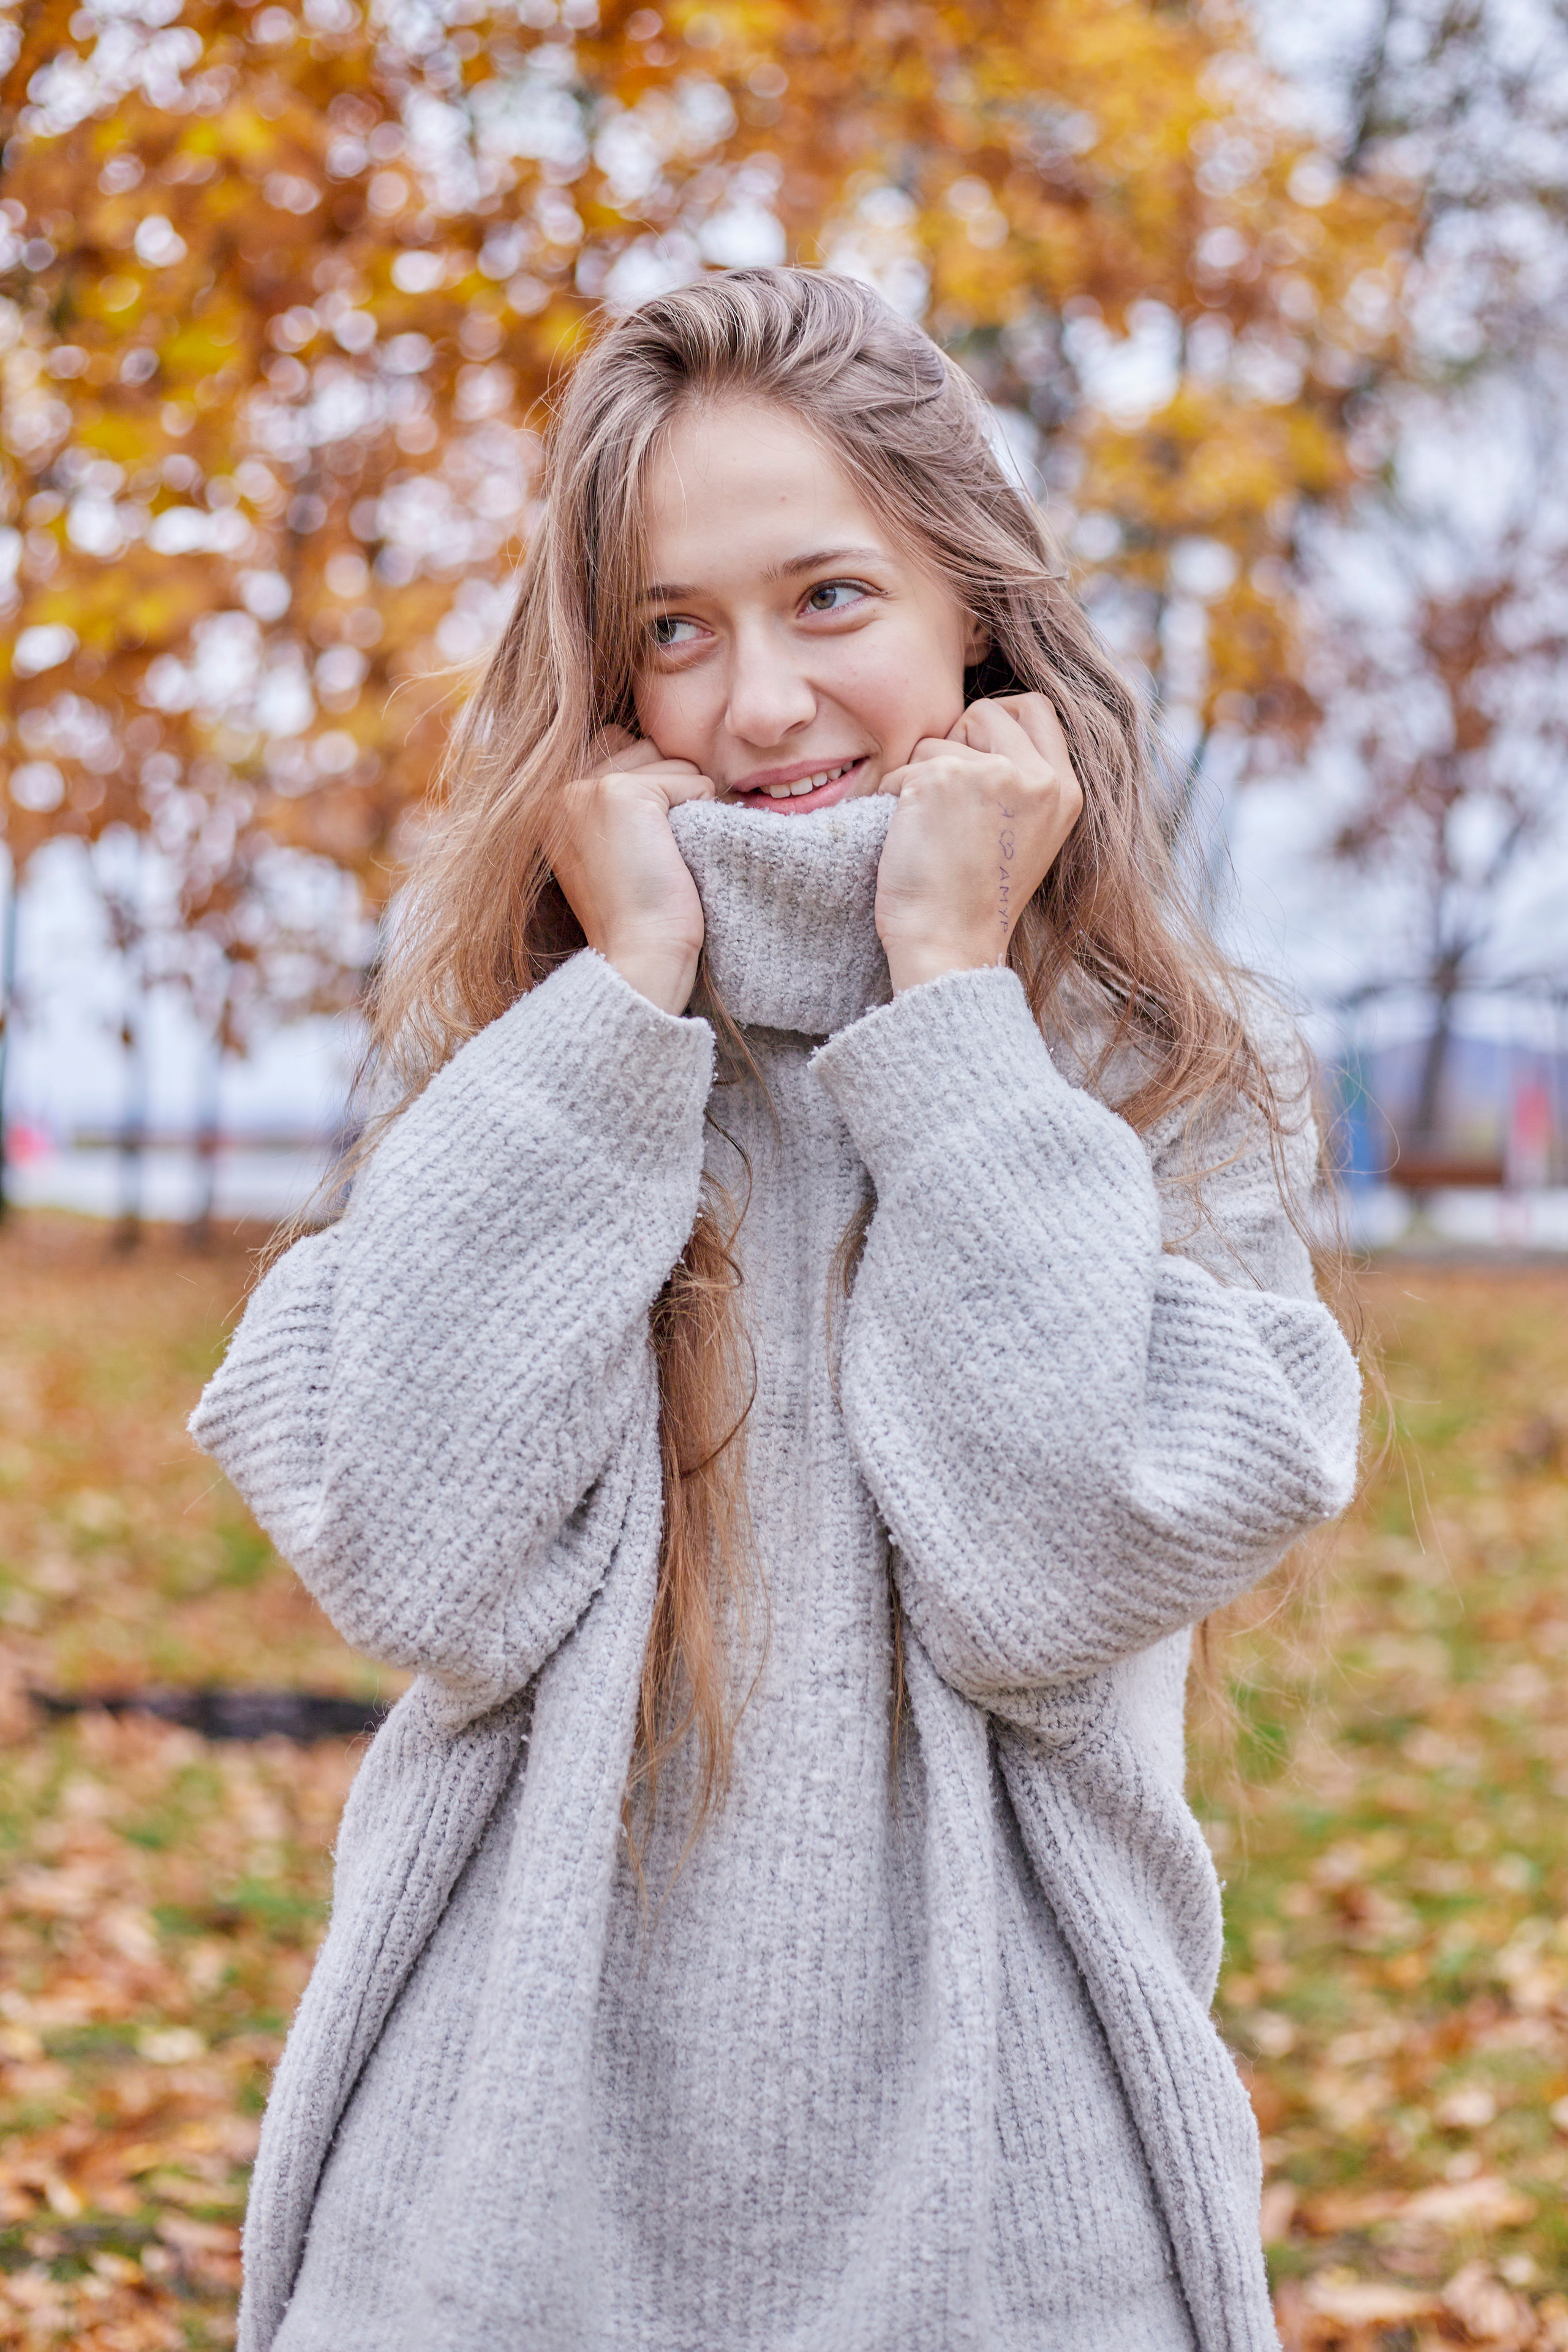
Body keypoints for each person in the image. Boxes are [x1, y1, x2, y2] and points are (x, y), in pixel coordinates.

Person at [191, 266, 1361, 2352]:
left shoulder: (1163, 1061)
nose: (758, 705)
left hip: (1014, 2216)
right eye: (675, 629)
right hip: (489, 2203)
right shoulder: (521, 1037)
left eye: (830, 599)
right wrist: (620, 1013)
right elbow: (421, 1562)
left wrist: (950, 1008)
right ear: (603, 673)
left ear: (969, 604)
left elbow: (1055, 1569)